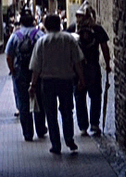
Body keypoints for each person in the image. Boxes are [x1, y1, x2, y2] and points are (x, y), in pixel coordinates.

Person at [28, 14, 86, 154]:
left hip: (47, 82)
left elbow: (36, 66)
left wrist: (33, 84)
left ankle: (56, 144)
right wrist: (82, 80)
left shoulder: (42, 42)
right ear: (59, 24)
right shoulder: (68, 39)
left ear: (46, 26)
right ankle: (69, 139)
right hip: (66, 80)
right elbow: (77, 61)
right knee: (67, 111)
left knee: (51, 114)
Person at [66, 1, 112, 136]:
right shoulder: (79, 29)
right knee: (88, 96)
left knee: (88, 96)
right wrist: (108, 64)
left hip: (84, 67)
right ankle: (90, 124)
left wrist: (108, 63)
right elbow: (104, 47)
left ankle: (88, 125)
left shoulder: (90, 29)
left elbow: (104, 47)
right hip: (87, 67)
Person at [5, 8, 47, 141]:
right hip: (38, 73)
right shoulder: (39, 35)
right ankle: (41, 129)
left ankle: (28, 133)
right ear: (33, 21)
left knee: (23, 104)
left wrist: (13, 71)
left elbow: (8, 55)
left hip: (21, 73)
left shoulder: (15, 36)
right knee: (39, 101)